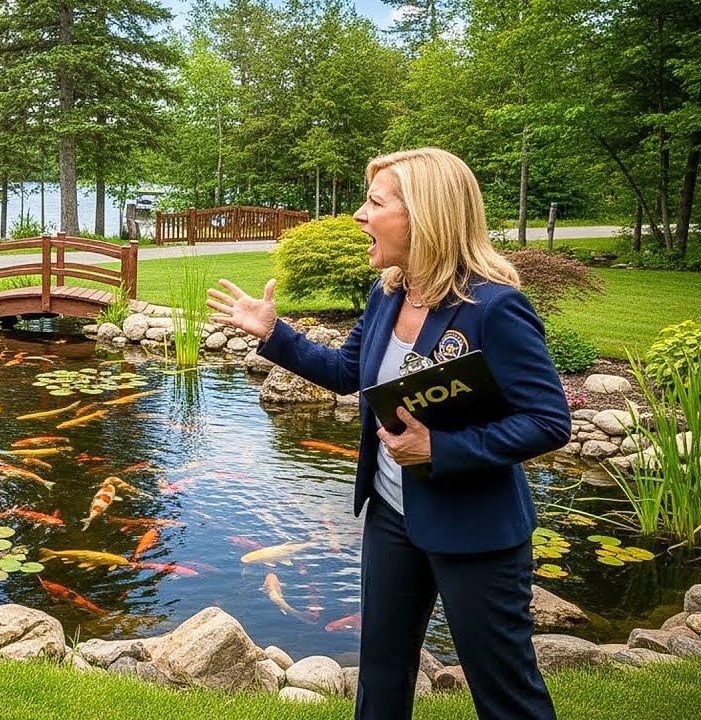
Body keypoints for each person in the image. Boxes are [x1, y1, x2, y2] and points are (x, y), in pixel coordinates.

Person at [206, 147, 570, 720]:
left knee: (504, 691)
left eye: (374, 202)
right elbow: (348, 373)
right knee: (380, 678)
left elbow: (548, 421)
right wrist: (274, 333)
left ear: (424, 215)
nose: (358, 215)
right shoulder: (388, 294)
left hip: (475, 528)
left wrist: (440, 448)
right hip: (392, 519)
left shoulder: (494, 308)